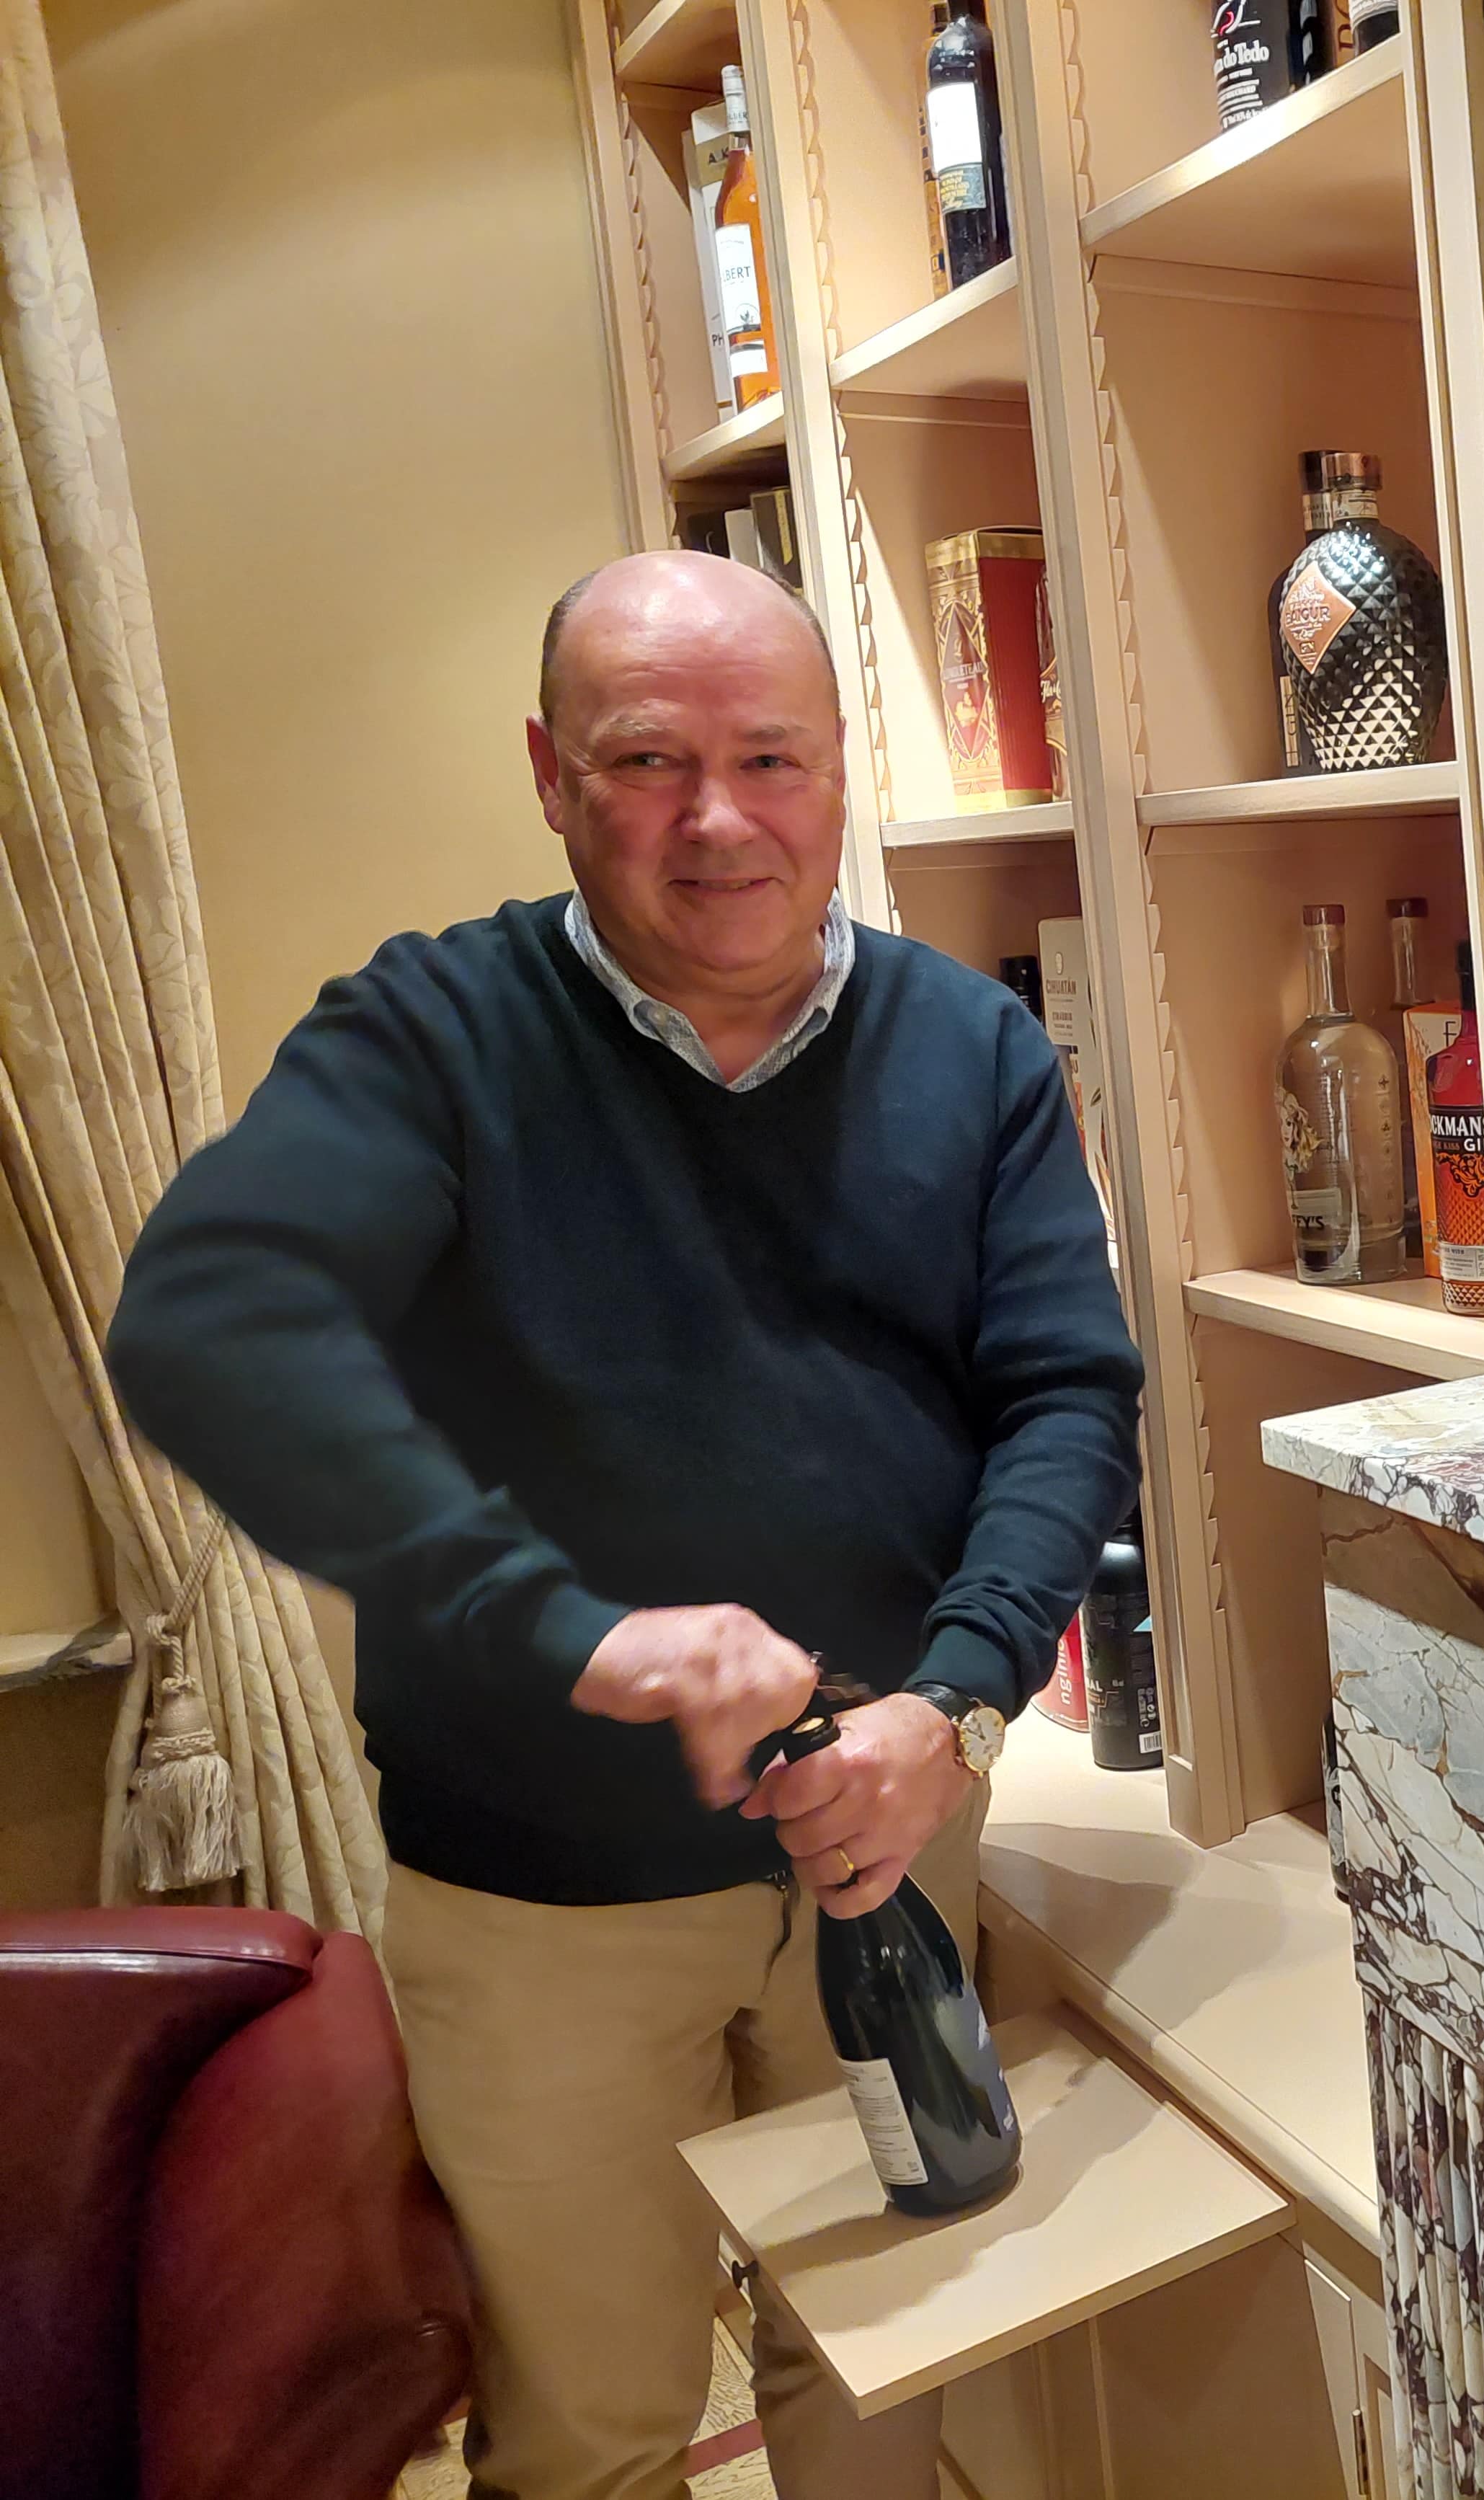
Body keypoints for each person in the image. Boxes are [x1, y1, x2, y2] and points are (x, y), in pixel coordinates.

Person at [107, 550, 1141, 2500]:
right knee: (594, 2427)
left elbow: (1066, 1394)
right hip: (542, 1907)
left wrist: (956, 1701)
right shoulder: (433, 1033)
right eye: (650, 761)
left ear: (840, 768)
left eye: (771, 758)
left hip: (888, 1832)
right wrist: (569, 1630)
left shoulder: (972, 1047)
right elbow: (211, 1322)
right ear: (550, 776)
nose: (721, 819)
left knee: (890, 2361)